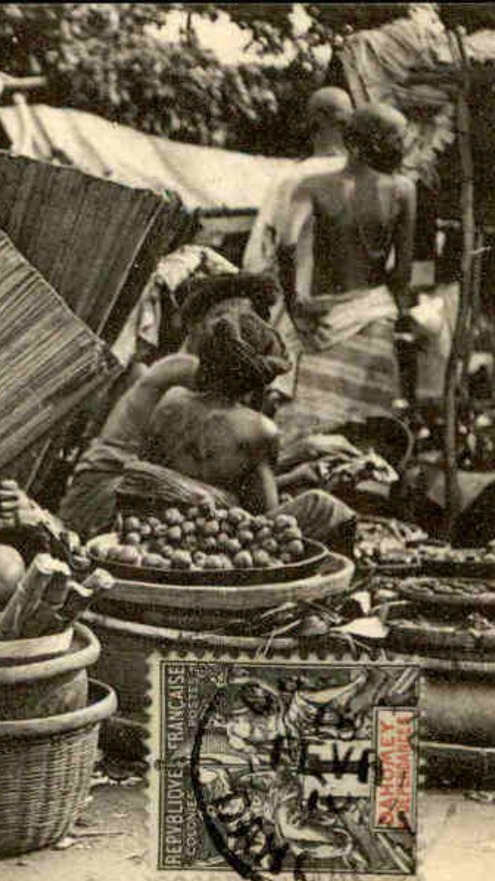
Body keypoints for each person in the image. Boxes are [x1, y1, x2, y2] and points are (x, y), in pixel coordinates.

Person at [58, 274, 282, 538]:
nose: (231, 327)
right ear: (196, 325)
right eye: (221, 317)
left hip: (147, 493)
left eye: (243, 319)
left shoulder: (225, 383)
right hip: (110, 489)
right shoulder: (180, 369)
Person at [139, 300, 356, 546]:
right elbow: (262, 516)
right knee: (324, 505)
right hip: (213, 538)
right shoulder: (258, 428)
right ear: (257, 380)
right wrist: (298, 479)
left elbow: (166, 478)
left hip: (161, 525)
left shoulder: (172, 399)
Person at [276, 102, 417, 439]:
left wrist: (296, 309)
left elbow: (286, 246)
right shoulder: (402, 190)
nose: (401, 146)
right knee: (369, 425)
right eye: (396, 138)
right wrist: (395, 309)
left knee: (311, 421)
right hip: (371, 315)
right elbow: (403, 270)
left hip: (319, 318)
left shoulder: (311, 185)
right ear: (370, 143)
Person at [243, 88, 353, 276]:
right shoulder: (370, 176)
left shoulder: (291, 177)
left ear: (312, 123)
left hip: (302, 293)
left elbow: (258, 256)